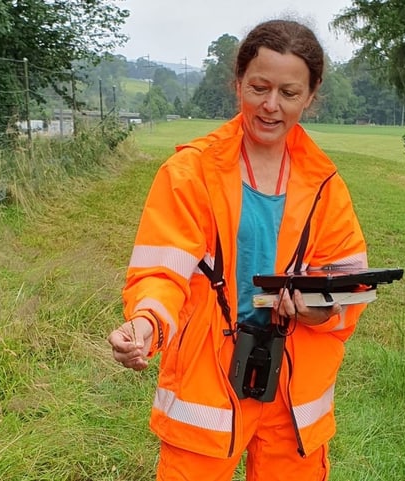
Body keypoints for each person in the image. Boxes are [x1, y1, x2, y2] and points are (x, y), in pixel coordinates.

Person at [108, 18, 368, 481]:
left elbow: (351, 284)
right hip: (206, 388)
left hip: (292, 394)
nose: (270, 106)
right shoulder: (190, 172)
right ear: (238, 84)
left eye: (289, 93)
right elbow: (161, 271)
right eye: (258, 87)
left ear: (311, 96)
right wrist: (147, 322)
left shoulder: (326, 186)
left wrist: (319, 311)